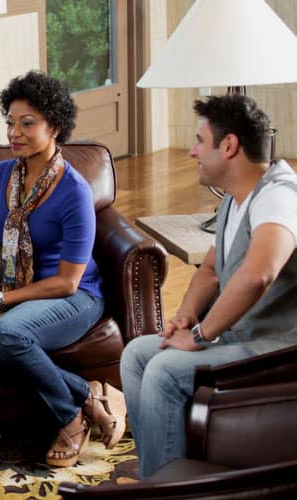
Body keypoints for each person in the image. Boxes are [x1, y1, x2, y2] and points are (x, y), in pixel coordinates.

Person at [0, 71, 126, 468]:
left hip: (75, 296)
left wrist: (0, 302)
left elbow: (68, 281)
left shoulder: (74, 191)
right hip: (15, 293)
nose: (15, 132)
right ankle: (88, 394)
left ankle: (68, 418)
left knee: (6, 334)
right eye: (10, 122)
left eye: (27, 123)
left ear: (55, 128)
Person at [121, 94, 297, 478]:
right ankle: (158, 476)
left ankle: (175, 489)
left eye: (200, 140)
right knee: (137, 354)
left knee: (165, 370)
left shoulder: (280, 195)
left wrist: (200, 335)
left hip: (278, 348)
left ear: (229, 145)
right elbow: (211, 269)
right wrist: (185, 316)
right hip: (240, 337)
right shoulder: (236, 199)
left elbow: (259, 273)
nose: (191, 151)